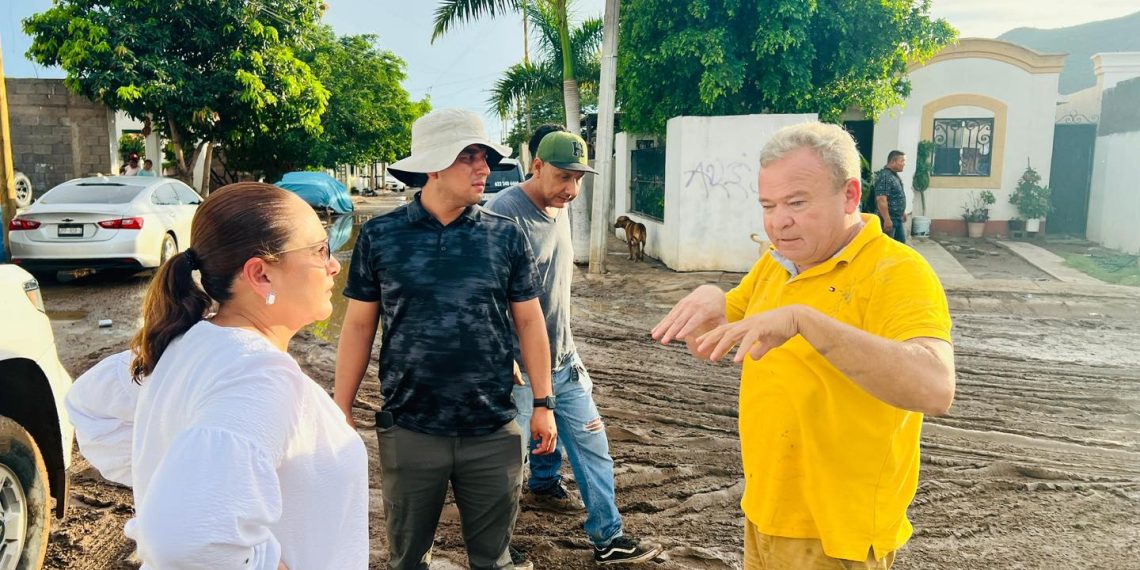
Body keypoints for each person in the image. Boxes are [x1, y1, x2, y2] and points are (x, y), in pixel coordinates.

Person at [651, 122, 956, 569]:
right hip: (767, 511)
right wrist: (712, 304)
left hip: (837, 536)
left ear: (850, 196)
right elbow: (715, 342)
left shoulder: (897, 271)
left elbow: (935, 387)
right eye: (768, 205)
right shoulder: (778, 264)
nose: (779, 221)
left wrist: (805, 322)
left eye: (796, 203)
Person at [65, 182, 368, 569]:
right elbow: (187, 543)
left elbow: (90, 405)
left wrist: (169, 479)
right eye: (319, 250)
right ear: (260, 275)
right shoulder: (258, 377)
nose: (334, 265)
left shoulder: (186, 343)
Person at [334, 108, 557, 570]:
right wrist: (341, 406)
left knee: (493, 560)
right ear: (434, 165)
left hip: (492, 430)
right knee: (407, 559)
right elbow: (358, 326)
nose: (484, 168)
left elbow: (531, 323)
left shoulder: (505, 237)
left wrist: (543, 402)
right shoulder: (381, 236)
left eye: (486, 157)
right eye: (468, 156)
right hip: (411, 428)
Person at [487, 129, 663, 565]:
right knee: (509, 463)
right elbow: (482, 297)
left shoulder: (558, 206)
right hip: (519, 368)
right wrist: (504, 361)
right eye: (565, 177)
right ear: (537, 167)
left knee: (592, 447)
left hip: (563, 358)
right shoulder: (501, 217)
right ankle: (493, 549)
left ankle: (608, 536)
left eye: (579, 179)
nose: (572, 190)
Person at [874, 150, 908, 243]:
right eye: (902, 161)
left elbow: (895, 196)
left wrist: (902, 212)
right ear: (893, 161)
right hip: (889, 219)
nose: (904, 164)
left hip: (897, 218)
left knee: (900, 245)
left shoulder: (893, 176)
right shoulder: (885, 176)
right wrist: (887, 219)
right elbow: (881, 199)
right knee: (887, 247)